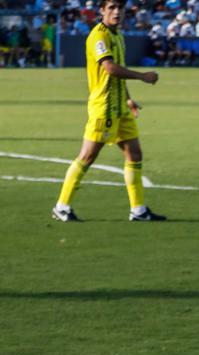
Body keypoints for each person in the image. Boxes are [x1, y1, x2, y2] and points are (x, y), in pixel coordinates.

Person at [52, 0, 166, 222]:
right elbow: (110, 69)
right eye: (111, 7)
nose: (116, 12)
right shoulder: (99, 36)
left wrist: (129, 99)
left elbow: (116, 76)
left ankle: (138, 210)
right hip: (103, 108)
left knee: (134, 154)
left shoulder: (118, 35)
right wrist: (143, 76)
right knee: (87, 156)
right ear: (102, 10)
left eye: (120, 8)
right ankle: (61, 206)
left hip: (120, 108)